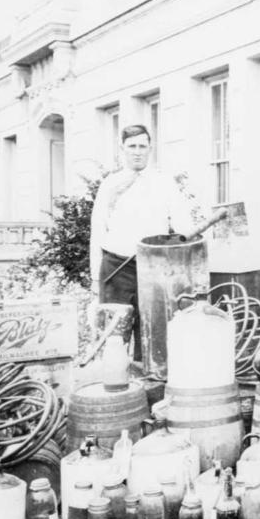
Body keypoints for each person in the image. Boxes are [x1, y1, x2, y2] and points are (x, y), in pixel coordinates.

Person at [89, 124, 204, 357]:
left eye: (143, 146)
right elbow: (98, 231)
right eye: (132, 146)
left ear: (150, 149)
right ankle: (116, 383)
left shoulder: (164, 183)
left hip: (154, 267)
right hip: (116, 268)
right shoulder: (110, 185)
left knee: (152, 330)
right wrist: (94, 277)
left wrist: (196, 239)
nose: (137, 151)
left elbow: (183, 226)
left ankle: (148, 383)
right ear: (122, 149)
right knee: (114, 334)